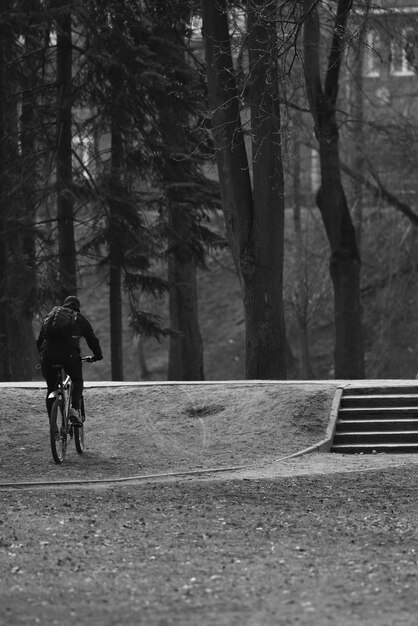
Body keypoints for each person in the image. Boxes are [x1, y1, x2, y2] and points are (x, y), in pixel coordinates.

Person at [36, 295, 103, 424]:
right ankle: (74, 409)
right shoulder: (79, 318)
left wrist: (43, 356)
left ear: (64, 305)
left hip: (48, 355)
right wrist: (97, 356)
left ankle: (53, 426)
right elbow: (92, 340)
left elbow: (40, 341)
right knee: (77, 380)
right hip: (69, 355)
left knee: (51, 388)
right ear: (78, 307)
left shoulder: (51, 317)